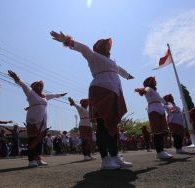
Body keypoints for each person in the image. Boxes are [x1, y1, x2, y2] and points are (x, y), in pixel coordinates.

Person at [50, 31, 134, 170]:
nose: (109, 48)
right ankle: (105, 160)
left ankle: (114, 156)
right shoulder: (94, 56)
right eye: (106, 46)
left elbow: (121, 70)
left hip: (114, 92)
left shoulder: (112, 63)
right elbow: (83, 48)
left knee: (113, 125)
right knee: (102, 125)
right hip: (100, 90)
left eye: (109, 46)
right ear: (100, 47)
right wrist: (67, 40)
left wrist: (129, 76)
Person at [8, 70, 67, 167]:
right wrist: (15, 77)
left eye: (41, 85)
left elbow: (53, 95)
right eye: (37, 85)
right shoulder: (31, 93)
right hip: (33, 118)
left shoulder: (44, 96)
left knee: (40, 139)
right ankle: (31, 160)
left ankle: (38, 159)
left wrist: (61, 94)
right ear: (33, 87)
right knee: (33, 138)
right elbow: (22, 85)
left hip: (43, 120)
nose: (39, 86)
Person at [135, 77, 173, 159]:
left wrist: (168, 105)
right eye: (153, 81)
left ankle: (161, 150)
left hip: (160, 109)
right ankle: (159, 152)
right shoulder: (148, 88)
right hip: (153, 109)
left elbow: (161, 100)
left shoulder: (155, 91)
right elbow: (144, 90)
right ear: (149, 82)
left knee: (163, 131)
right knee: (157, 131)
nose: (155, 82)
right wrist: (141, 90)